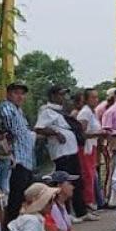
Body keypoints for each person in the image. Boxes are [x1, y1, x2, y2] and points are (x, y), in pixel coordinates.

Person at [35, 86, 85, 218]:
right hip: (61, 153)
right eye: (60, 94)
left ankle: (81, 211)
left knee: (76, 182)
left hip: (71, 151)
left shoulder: (61, 111)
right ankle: (66, 212)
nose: (62, 97)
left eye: (63, 95)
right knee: (63, 183)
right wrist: (56, 133)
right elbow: (39, 128)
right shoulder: (47, 111)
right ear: (52, 96)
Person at [0, 80, 35, 224]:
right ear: (8, 94)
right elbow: (13, 130)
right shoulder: (7, 107)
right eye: (16, 93)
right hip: (16, 160)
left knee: (23, 199)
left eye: (22, 94)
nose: (20, 96)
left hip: (26, 160)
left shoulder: (19, 110)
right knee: (15, 199)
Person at [76, 88, 106, 210]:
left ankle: (91, 201)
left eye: (97, 97)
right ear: (86, 99)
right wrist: (97, 134)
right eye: (93, 97)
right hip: (86, 147)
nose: (96, 100)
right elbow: (80, 133)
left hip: (92, 146)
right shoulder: (85, 113)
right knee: (87, 174)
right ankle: (88, 203)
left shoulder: (92, 112)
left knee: (91, 174)